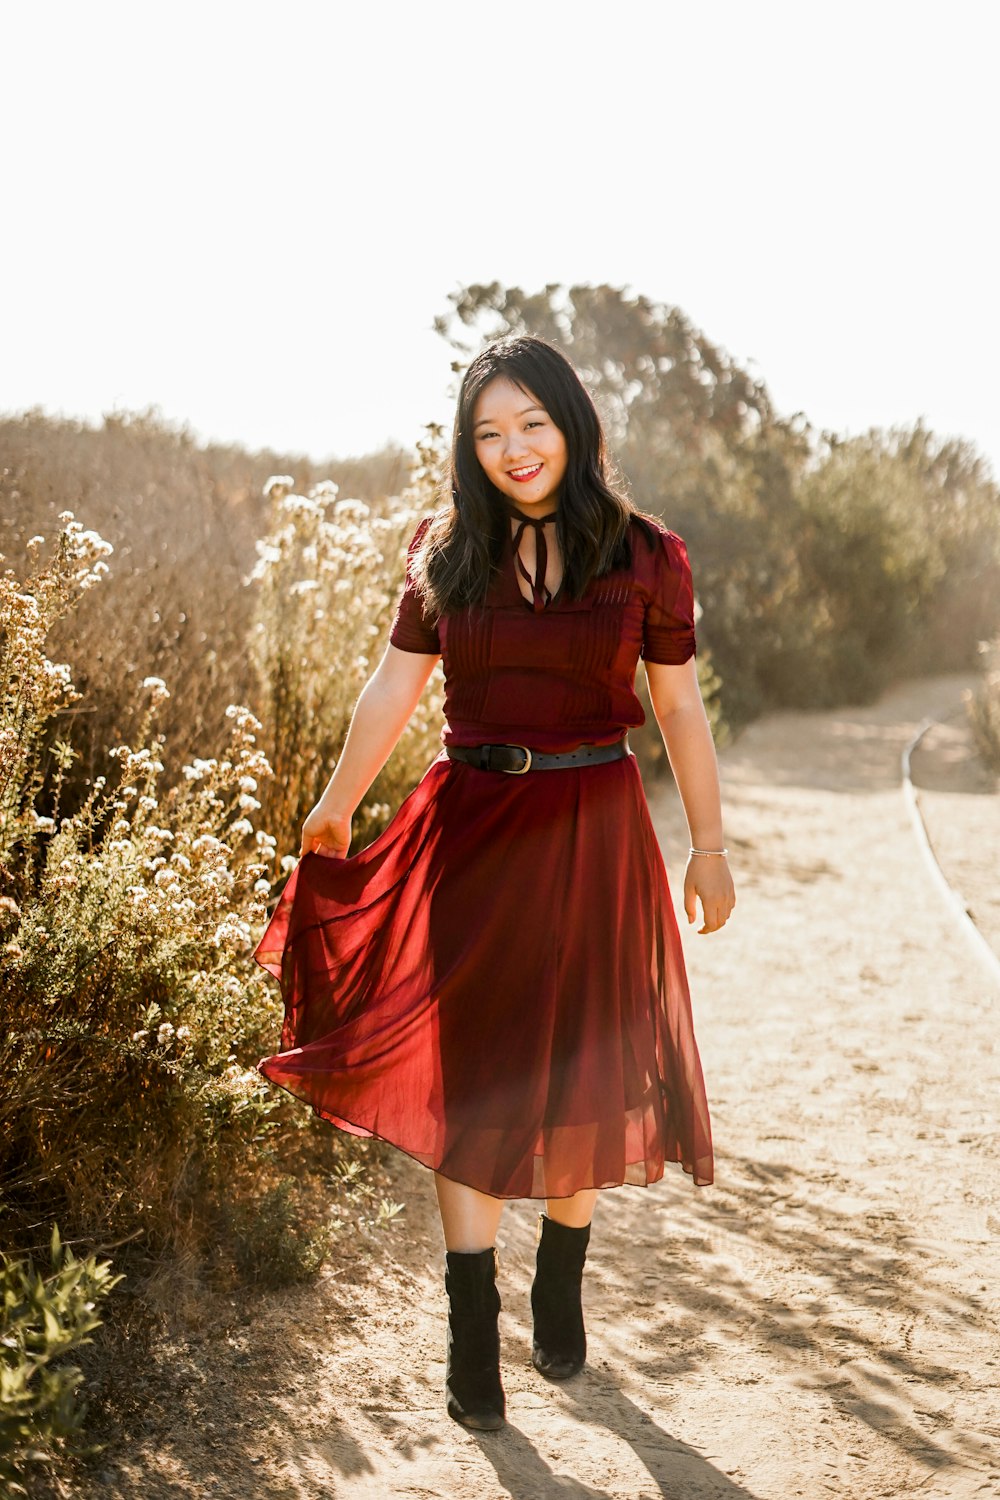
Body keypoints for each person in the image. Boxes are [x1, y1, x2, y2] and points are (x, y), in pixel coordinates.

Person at [253, 334, 736, 1432]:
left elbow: (680, 709)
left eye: (531, 424)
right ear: (467, 451)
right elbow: (391, 685)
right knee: (473, 1079)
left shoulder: (647, 555)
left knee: (582, 1072)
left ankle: (560, 1276)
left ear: (572, 425)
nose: (513, 449)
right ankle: (472, 1330)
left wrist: (708, 843)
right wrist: (336, 801)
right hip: (471, 827)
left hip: (594, 831)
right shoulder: (444, 547)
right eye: (488, 432)